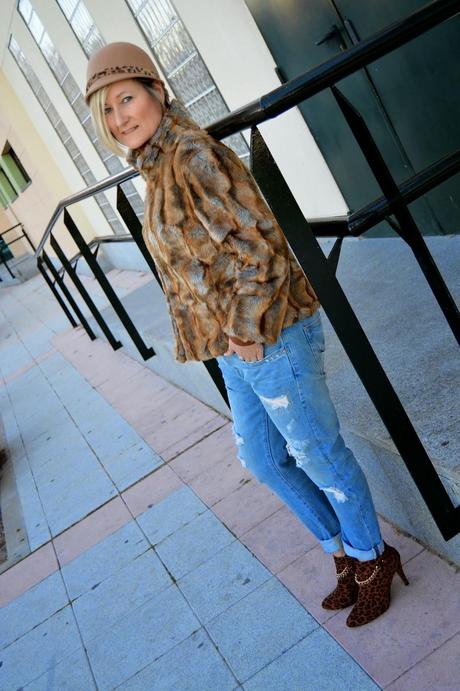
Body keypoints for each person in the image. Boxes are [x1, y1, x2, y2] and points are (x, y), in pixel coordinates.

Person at [85, 42, 409, 627]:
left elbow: (258, 244)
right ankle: (342, 551)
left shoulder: (191, 156)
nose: (119, 118)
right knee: (263, 458)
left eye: (126, 99)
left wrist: (242, 333)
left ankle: (372, 558)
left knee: (318, 452)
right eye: (106, 111)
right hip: (235, 348)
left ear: (156, 90)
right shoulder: (155, 166)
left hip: (270, 335)